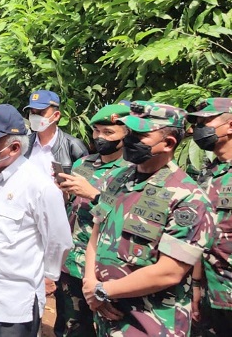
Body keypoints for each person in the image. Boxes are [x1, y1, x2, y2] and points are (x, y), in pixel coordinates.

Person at [83, 101, 213, 337]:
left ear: (168, 143)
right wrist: (90, 283)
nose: (129, 140)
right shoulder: (119, 178)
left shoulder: (188, 197)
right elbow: (96, 233)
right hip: (106, 313)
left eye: (139, 135)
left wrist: (102, 290)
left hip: (149, 323)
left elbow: (169, 271)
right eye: (129, 132)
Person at [0, 104, 73, 337]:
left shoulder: (39, 186)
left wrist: (48, 277)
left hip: (11, 305)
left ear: (14, 147)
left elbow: (59, 240)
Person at [55, 103, 130, 337]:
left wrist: (94, 195)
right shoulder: (84, 163)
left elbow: (128, 217)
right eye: (97, 131)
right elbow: (72, 206)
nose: (99, 137)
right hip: (71, 261)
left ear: (127, 134)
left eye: (108, 133)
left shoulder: (131, 171)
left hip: (104, 266)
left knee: (108, 326)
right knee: (71, 327)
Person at [22, 89, 87, 326]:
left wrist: (66, 192)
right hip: (28, 224)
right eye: (32, 113)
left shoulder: (73, 147)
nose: (35, 117)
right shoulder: (25, 144)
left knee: (62, 289)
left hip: (61, 224)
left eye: (41, 112)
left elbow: (85, 190)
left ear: (56, 115)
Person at [186, 98, 232, 336]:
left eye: (206, 122)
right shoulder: (209, 174)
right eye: (197, 123)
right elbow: (199, 234)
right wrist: (195, 285)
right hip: (210, 292)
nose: (198, 129)